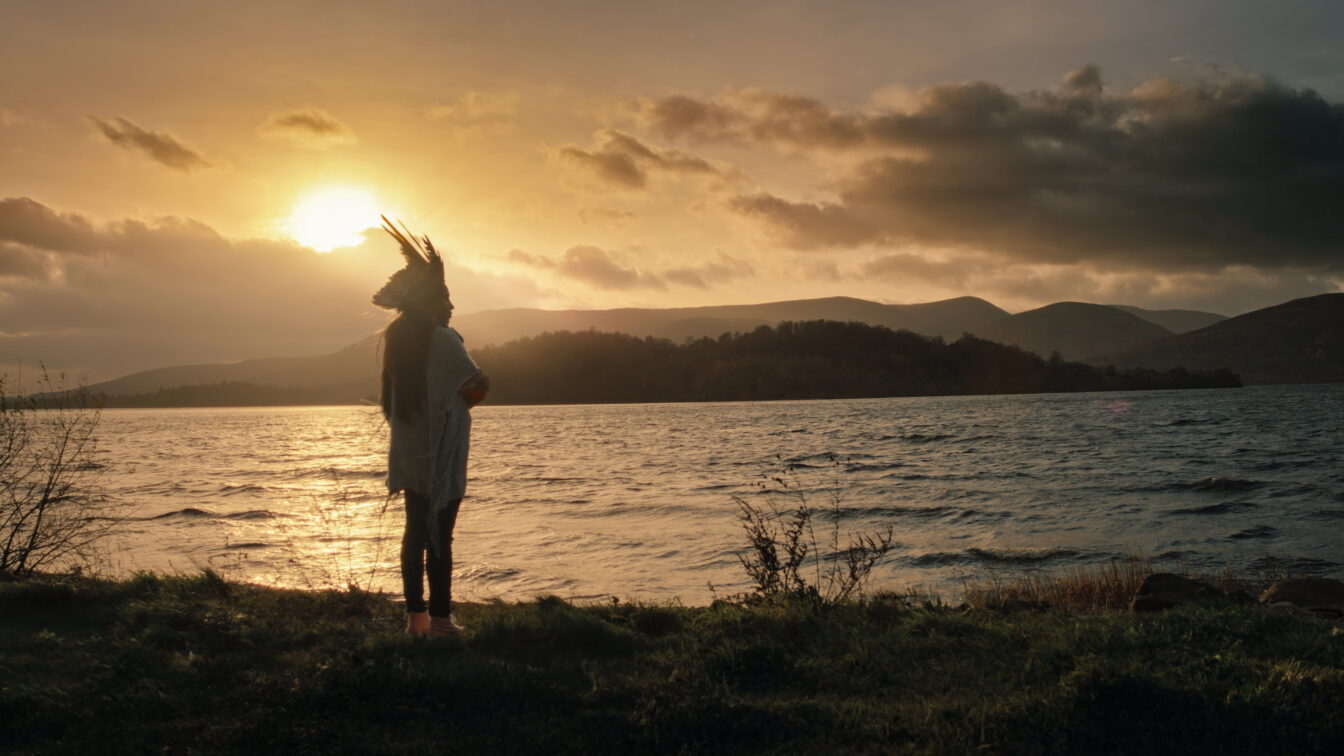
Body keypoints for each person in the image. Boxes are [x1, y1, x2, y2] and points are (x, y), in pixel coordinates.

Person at [373, 217, 489, 638]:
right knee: (441, 538)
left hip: (410, 450)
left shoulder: (400, 339)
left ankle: (416, 620)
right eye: (445, 296)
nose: (451, 305)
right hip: (440, 453)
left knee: (414, 535)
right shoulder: (442, 339)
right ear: (431, 300)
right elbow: (476, 384)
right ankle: (440, 620)